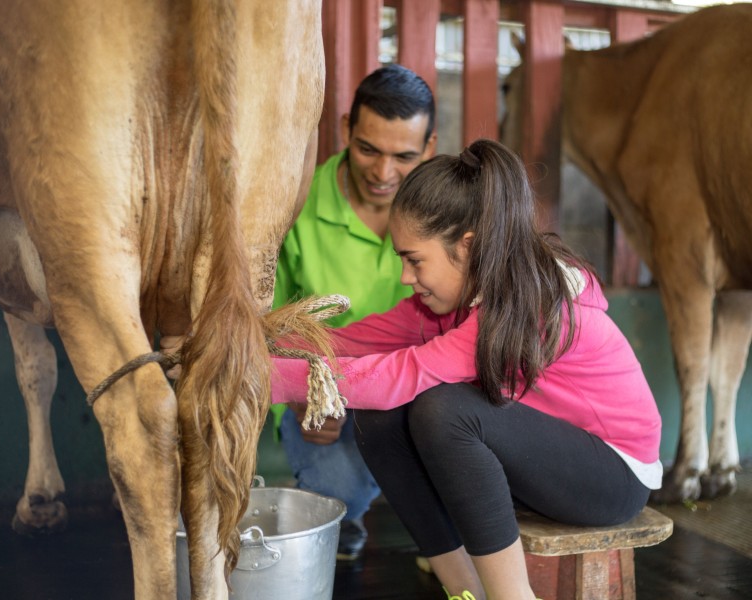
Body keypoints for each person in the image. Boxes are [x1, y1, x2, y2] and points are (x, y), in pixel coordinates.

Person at [270, 138, 662, 599]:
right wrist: (248, 349)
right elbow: (353, 338)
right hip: (546, 460)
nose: (405, 278)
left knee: (443, 409)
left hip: (613, 475)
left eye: (415, 260)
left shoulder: (529, 305)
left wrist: (264, 381)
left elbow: (398, 377)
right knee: (380, 418)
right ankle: (464, 591)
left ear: (468, 248)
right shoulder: (451, 299)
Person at [271, 64, 436, 560]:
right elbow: (269, 329)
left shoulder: (449, 208)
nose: (383, 174)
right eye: (368, 149)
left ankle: (443, 524)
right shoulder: (293, 204)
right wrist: (304, 397)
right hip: (327, 396)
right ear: (346, 129)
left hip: (423, 392)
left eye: (404, 157)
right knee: (338, 488)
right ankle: (346, 511)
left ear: (429, 148)